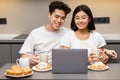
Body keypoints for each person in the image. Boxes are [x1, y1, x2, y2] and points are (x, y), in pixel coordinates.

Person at [19, 1, 71, 65]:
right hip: (40, 70)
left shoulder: (68, 33)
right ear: (49, 15)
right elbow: (23, 55)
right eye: (56, 17)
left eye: (62, 18)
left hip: (60, 69)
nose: (59, 21)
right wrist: (30, 59)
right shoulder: (35, 33)